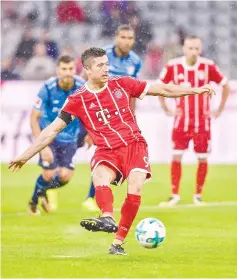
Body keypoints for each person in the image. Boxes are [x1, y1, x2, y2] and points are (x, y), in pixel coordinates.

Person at [9, 47, 214, 255]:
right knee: (99, 175)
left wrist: (194, 90)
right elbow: (50, 131)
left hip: (134, 145)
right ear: (88, 69)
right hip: (106, 150)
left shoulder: (122, 83)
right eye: (101, 65)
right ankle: (107, 216)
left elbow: (162, 89)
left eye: (107, 64)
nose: (106, 69)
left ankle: (117, 243)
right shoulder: (77, 100)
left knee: (135, 188)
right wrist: (25, 156)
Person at [158, 35, 229, 207]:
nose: (194, 52)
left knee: (202, 158)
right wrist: (167, 109)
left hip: (202, 123)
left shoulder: (208, 66)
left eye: (197, 48)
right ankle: (174, 194)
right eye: (190, 48)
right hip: (181, 122)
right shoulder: (173, 66)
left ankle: (198, 195)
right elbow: (160, 87)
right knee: (176, 156)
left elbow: (225, 85)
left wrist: (219, 109)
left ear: (201, 49)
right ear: (184, 48)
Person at [82, 25, 143, 211]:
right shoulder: (103, 55)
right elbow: (87, 81)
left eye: (130, 38)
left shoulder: (135, 61)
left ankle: (94, 196)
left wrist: (132, 117)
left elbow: (133, 91)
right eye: (123, 37)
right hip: (97, 110)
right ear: (116, 37)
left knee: (111, 153)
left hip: (120, 114)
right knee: (102, 151)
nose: (126, 41)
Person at [28, 55, 85, 215]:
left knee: (65, 176)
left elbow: (89, 112)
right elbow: (34, 117)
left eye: (71, 69)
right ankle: (33, 203)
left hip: (70, 138)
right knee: (48, 173)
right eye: (64, 69)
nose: (67, 72)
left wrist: (90, 134)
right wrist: (41, 145)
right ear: (57, 70)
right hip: (49, 137)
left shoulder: (82, 87)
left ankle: (42, 189)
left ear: (75, 70)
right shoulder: (47, 88)